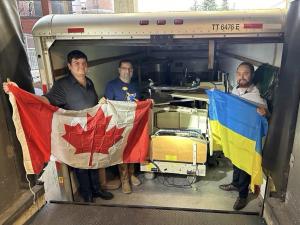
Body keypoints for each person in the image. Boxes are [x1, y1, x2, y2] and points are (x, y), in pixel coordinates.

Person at [3, 50, 113, 203]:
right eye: (76, 63)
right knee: (81, 165)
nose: (80, 67)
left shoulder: (89, 82)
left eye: (83, 63)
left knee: (93, 162)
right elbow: (45, 101)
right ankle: (87, 194)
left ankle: (97, 190)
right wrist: (18, 93)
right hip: (75, 133)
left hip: (92, 130)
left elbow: (92, 105)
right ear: (69, 66)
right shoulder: (62, 86)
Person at [219, 62, 268, 210]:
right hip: (235, 135)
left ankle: (242, 196)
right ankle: (235, 184)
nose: (242, 77)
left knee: (245, 167)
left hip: (248, 138)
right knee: (235, 162)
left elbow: (266, 114)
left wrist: (265, 113)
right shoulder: (235, 91)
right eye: (239, 73)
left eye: (245, 73)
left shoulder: (257, 95)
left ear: (252, 75)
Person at [103, 59, 141, 194]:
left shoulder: (136, 85)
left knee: (132, 150)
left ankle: (131, 174)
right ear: (119, 70)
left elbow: (139, 104)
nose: (127, 71)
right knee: (122, 153)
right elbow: (108, 106)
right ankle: (124, 180)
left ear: (132, 71)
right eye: (124, 68)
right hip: (119, 126)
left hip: (133, 124)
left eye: (130, 69)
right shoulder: (111, 86)